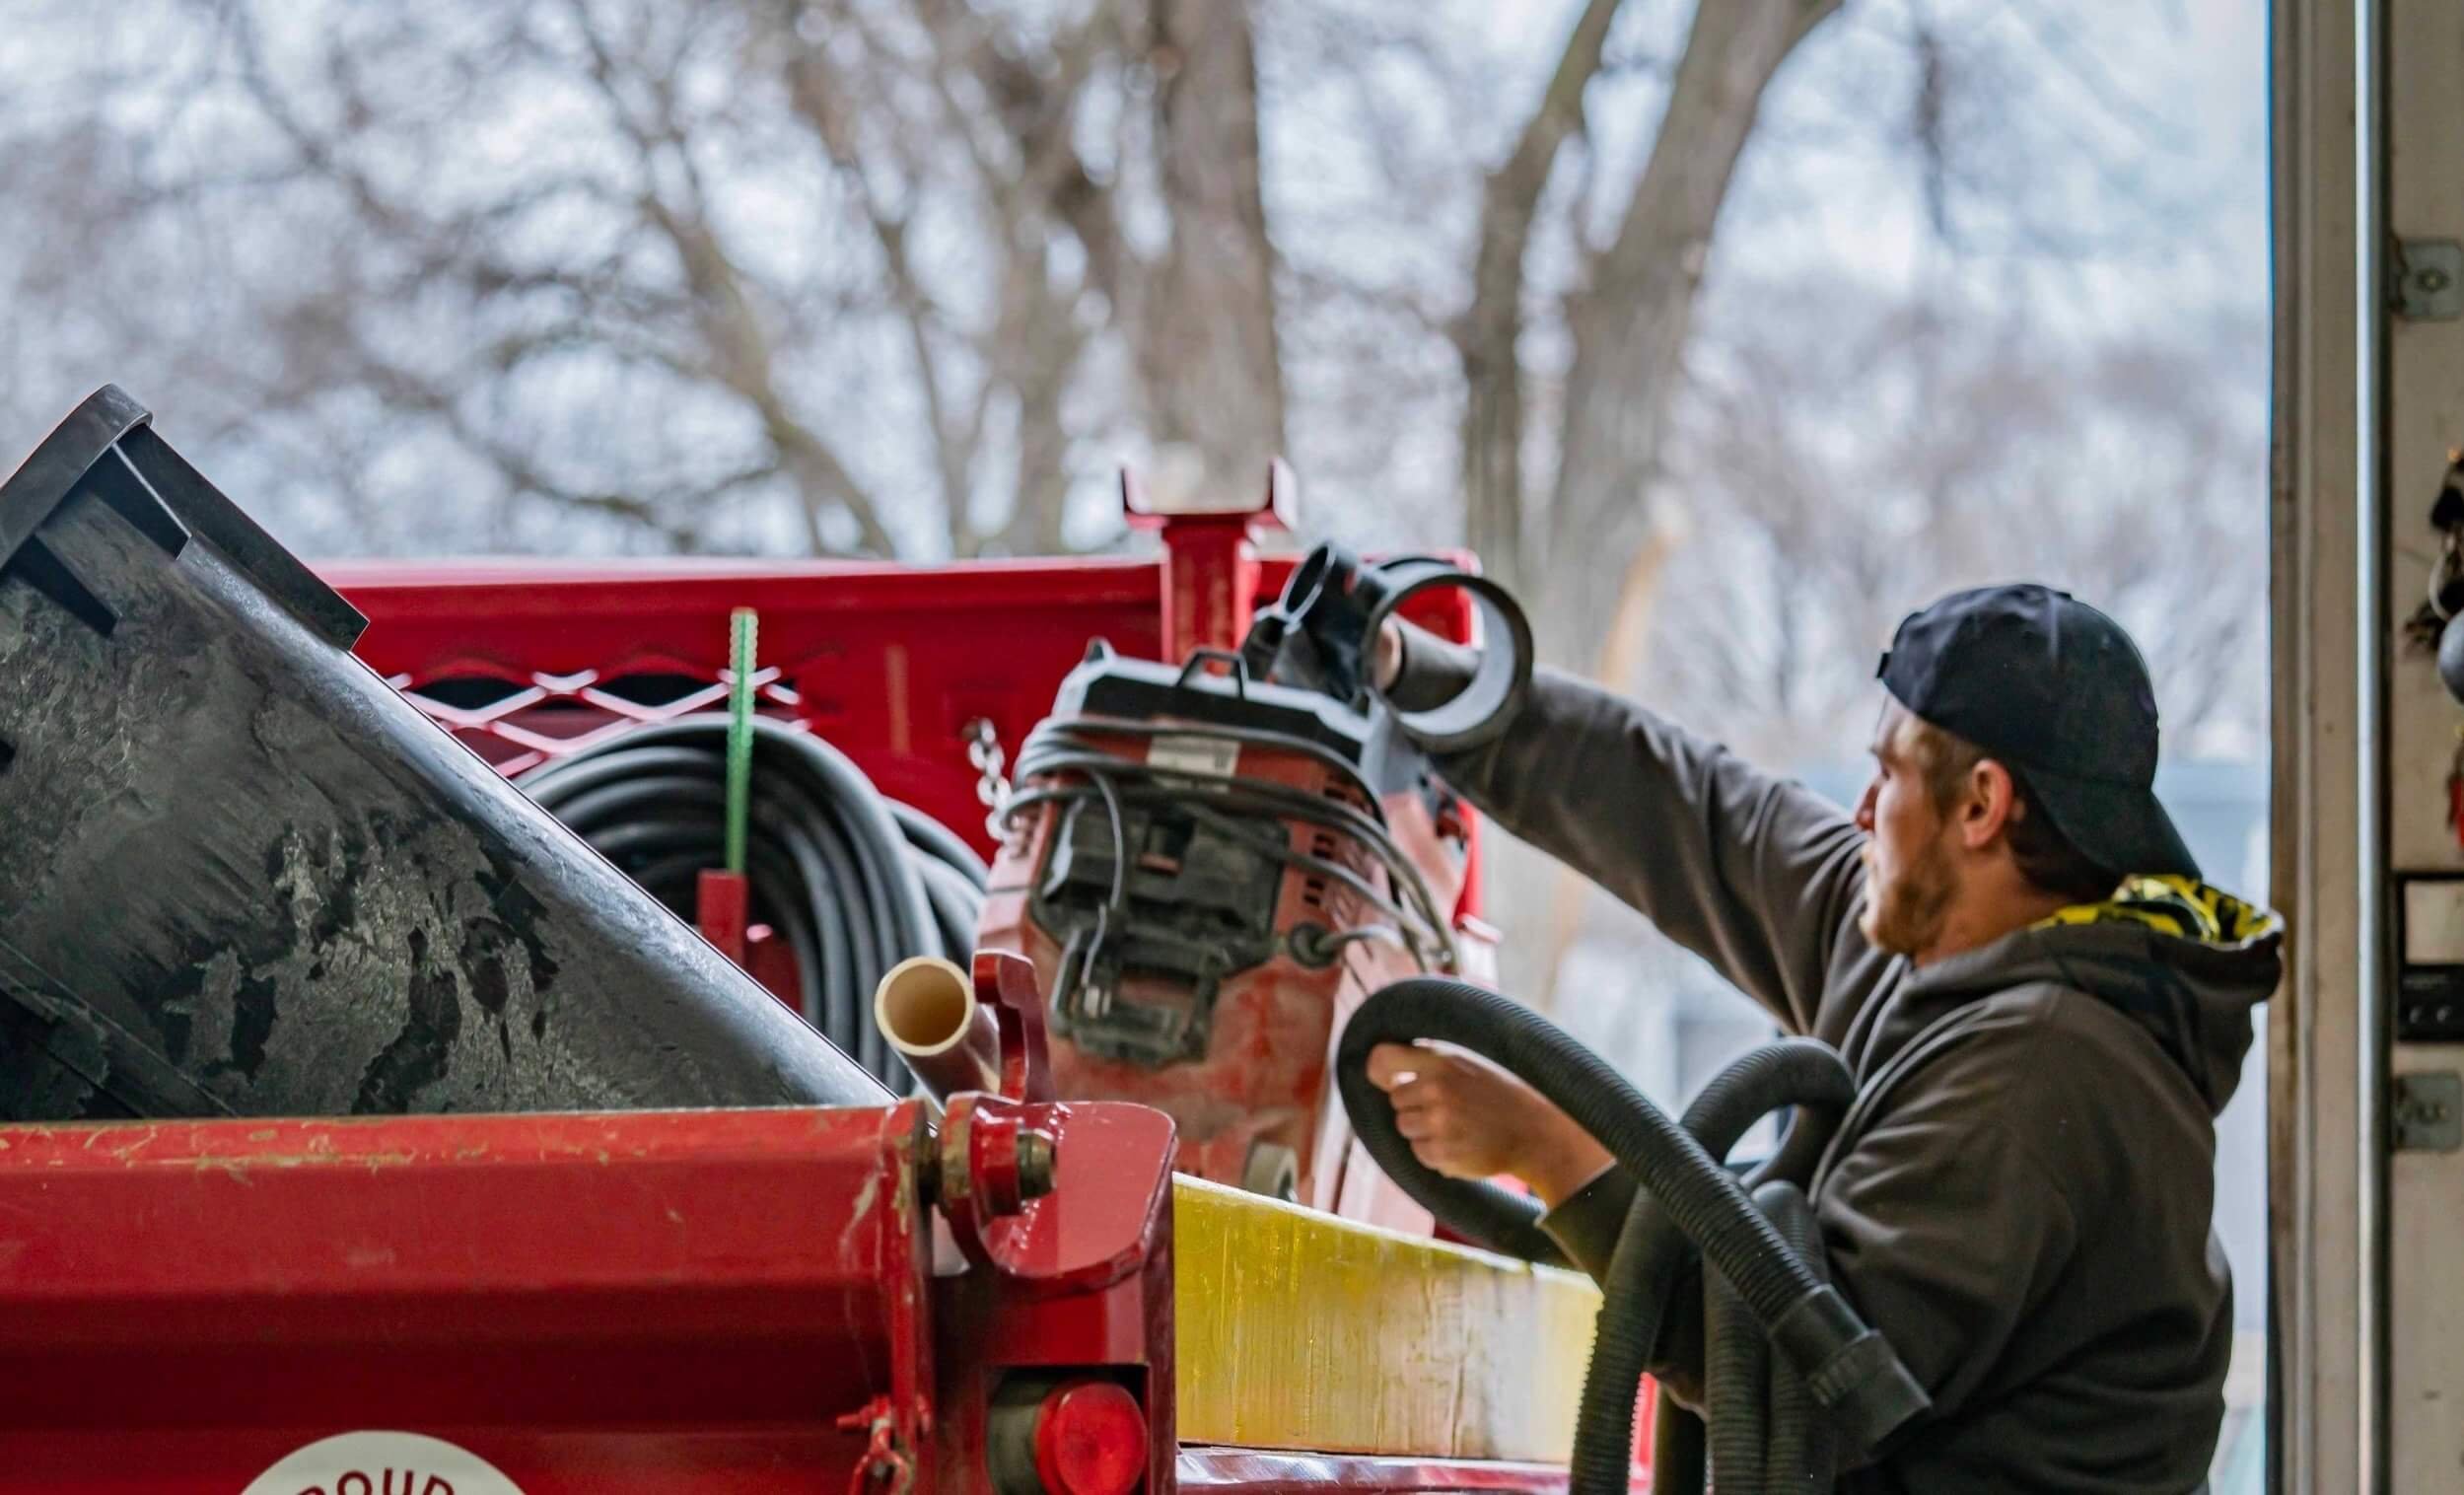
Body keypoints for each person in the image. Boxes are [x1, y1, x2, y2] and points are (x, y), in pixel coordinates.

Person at [1364, 584, 2280, 1493]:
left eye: (1888, 775)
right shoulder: (1927, 945)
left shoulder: (2044, 1071)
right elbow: (1697, 816)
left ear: (1980, 807)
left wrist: (1547, 1147)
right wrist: (1423, 678)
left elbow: (1794, 1379)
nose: (1860, 811)